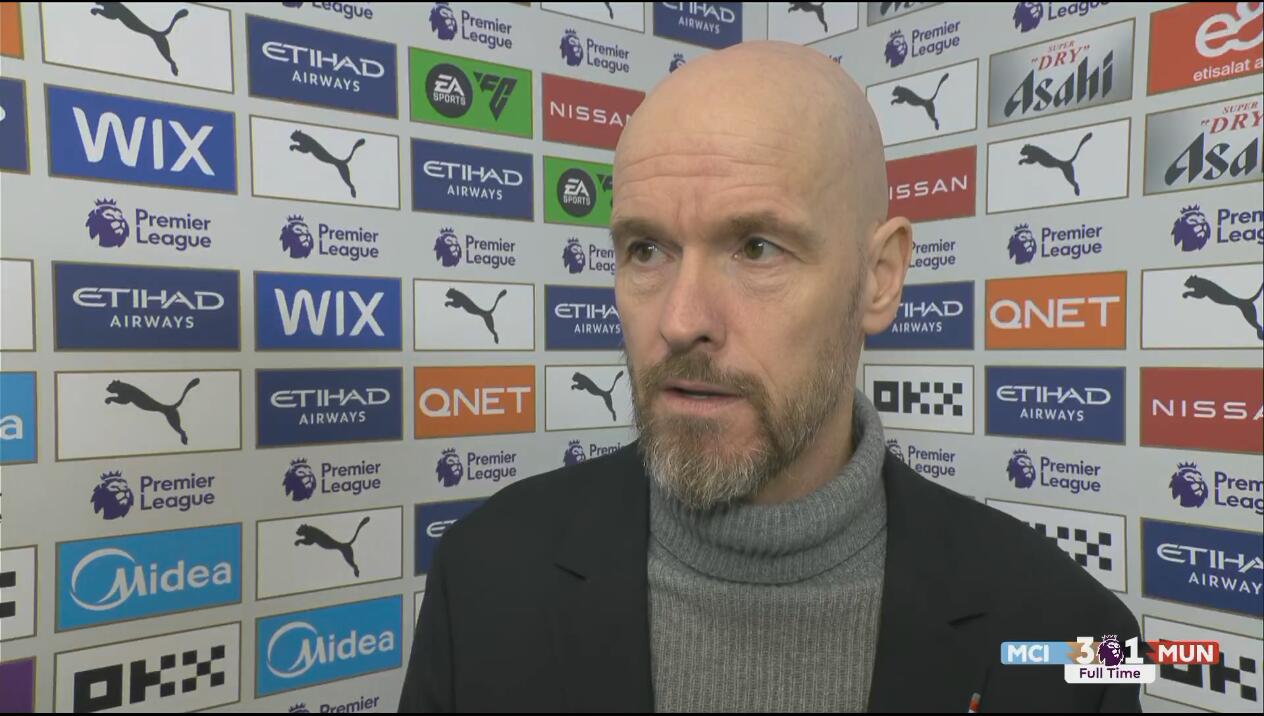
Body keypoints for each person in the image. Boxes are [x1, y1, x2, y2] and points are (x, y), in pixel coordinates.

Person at [399, 41, 1140, 713]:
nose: (681, 320)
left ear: (880, 278)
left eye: (757, 247)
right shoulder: (482, 577)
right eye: (646, 250)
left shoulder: (1075, 634)